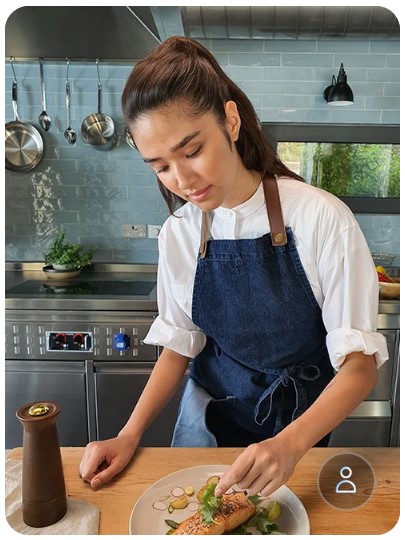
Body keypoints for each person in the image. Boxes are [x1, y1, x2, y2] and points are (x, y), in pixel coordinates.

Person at [79, 36, 388, 498]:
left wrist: (289, 445)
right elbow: (179, 345)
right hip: (206, 418)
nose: (182, 180)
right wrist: (129, 434)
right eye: (160, 166)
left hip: (296, 428)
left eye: (191, 151)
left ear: (231, 120)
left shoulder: (321, 218)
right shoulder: (179, 234)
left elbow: (360, 367)